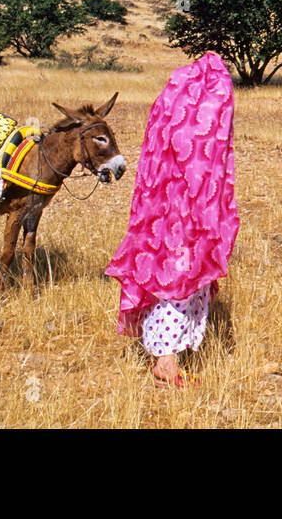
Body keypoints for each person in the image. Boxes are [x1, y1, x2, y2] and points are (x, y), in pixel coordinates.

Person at [106, 52, 240, 388]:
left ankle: (166, 359)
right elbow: (211, 164)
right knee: (180, 283)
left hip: (160, 211)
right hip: (191, 213)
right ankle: (166, 364)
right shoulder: (214, 99)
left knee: (169, 279)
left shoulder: (170, 102)